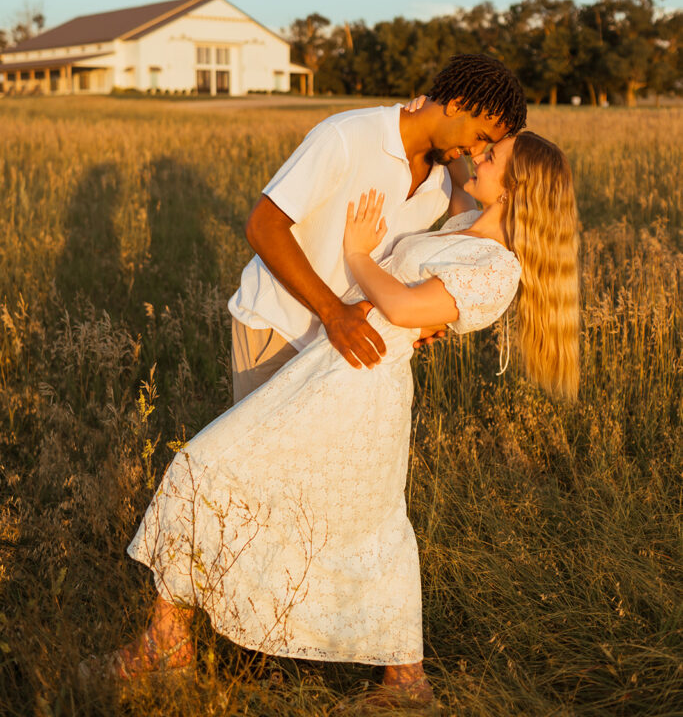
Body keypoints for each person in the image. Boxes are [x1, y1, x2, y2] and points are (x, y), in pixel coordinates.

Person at [82, 130, 580, 711]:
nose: (479, 155)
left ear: (516, 187)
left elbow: (402, 307)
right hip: (330, 370)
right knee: (355, 520)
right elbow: (449, 167)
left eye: (492, 156)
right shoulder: (464, 225)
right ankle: (398, 677)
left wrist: (357, 256)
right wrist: (440, 126)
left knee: (222, 475)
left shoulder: (497, 269)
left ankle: (172, 647)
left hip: (360, 386)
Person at [229, 53, 527, 402]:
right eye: (478, 136)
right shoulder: (348, 136)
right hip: (281, 328)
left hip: (347, 348)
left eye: (487, 147)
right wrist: (333, 313)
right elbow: (263, 225)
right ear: (457, 103)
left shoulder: (444, 177)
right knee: (261, 453)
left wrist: (410, 320)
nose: (476, 153)